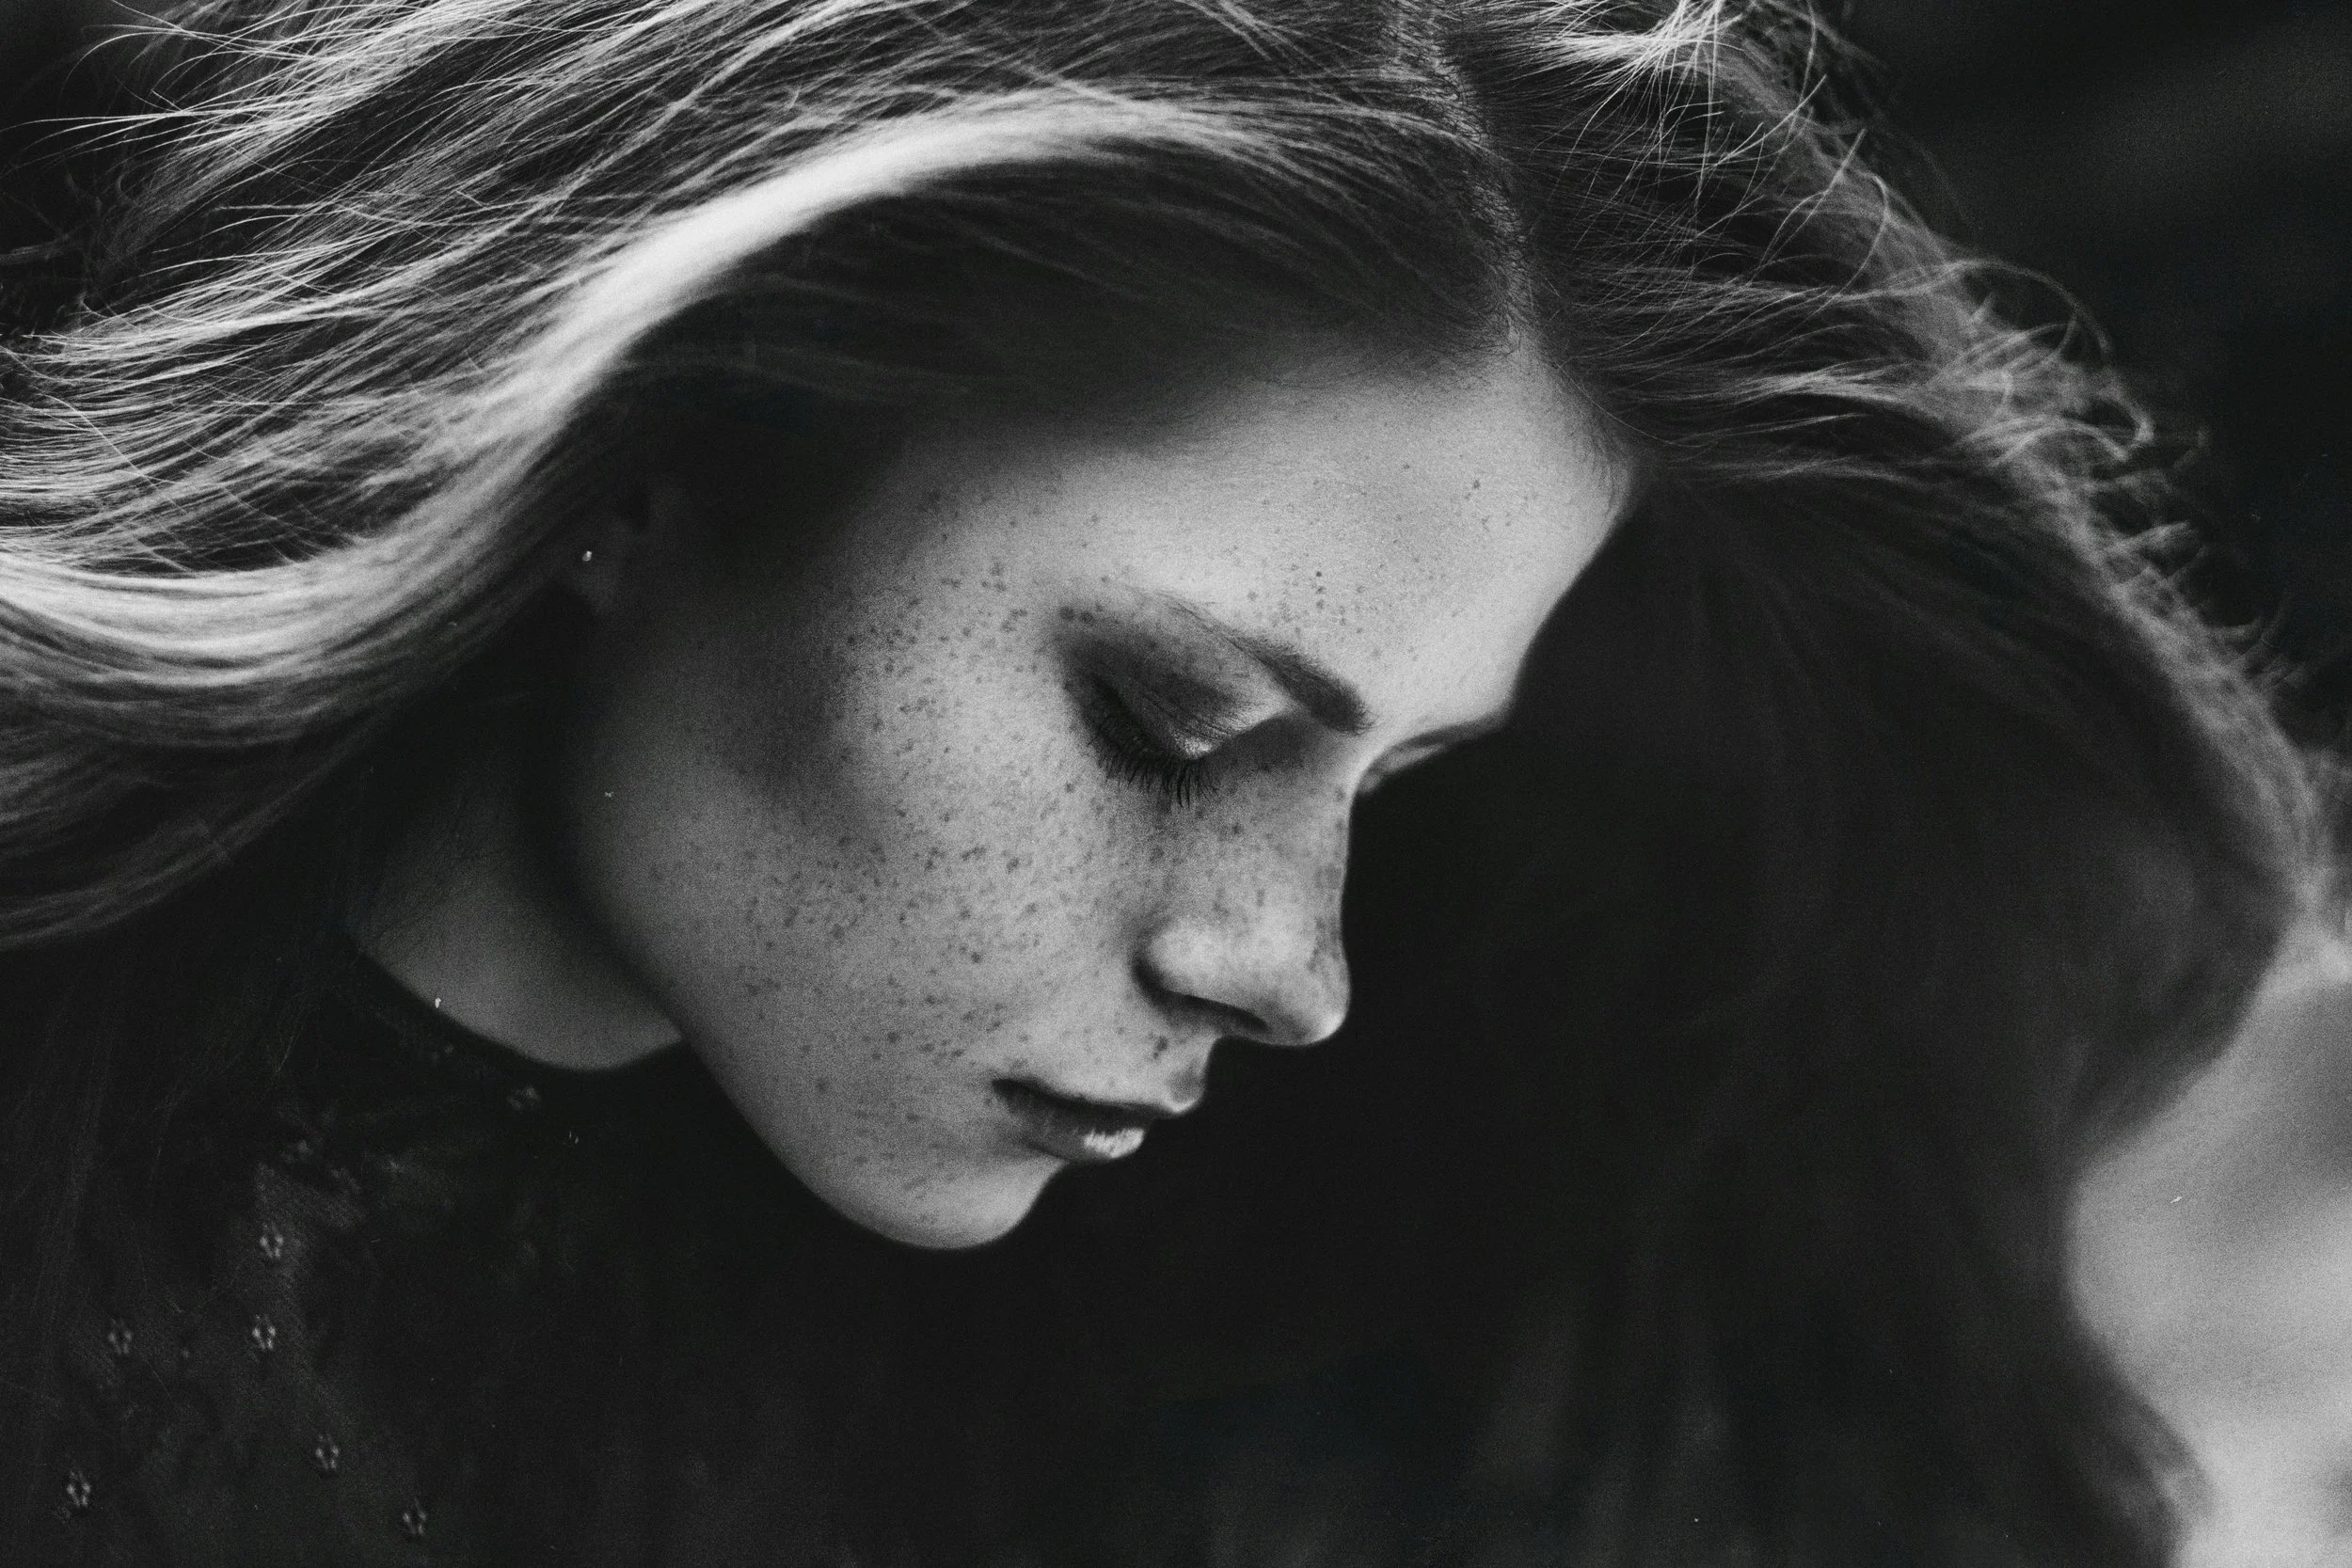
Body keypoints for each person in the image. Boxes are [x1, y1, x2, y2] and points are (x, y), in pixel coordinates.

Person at [0, 0, 2325, 1563]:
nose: (1283, 963)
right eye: (1167, 720)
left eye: (1386, 785)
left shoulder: (1189, 1370)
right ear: (660, 465)